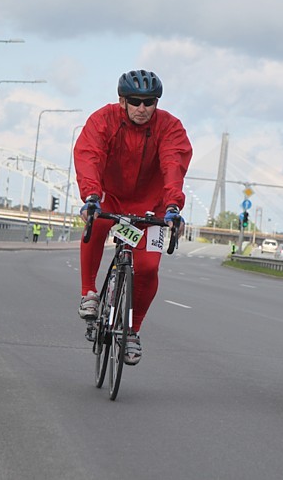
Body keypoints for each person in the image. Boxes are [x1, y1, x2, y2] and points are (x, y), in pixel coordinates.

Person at [75, 69, 192, 365]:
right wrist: (91, 195)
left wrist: (173, 206)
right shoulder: (103, 120)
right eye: (135, 101)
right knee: (97, 222)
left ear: (157, 102)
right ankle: (89, 292)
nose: (142, 108)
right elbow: (90, 155)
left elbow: (173, 164)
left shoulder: (170, 127)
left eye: (149, 102)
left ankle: (132, 330)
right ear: (121, 100)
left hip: (150, 206)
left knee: (149, 267)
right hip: (109, 196)